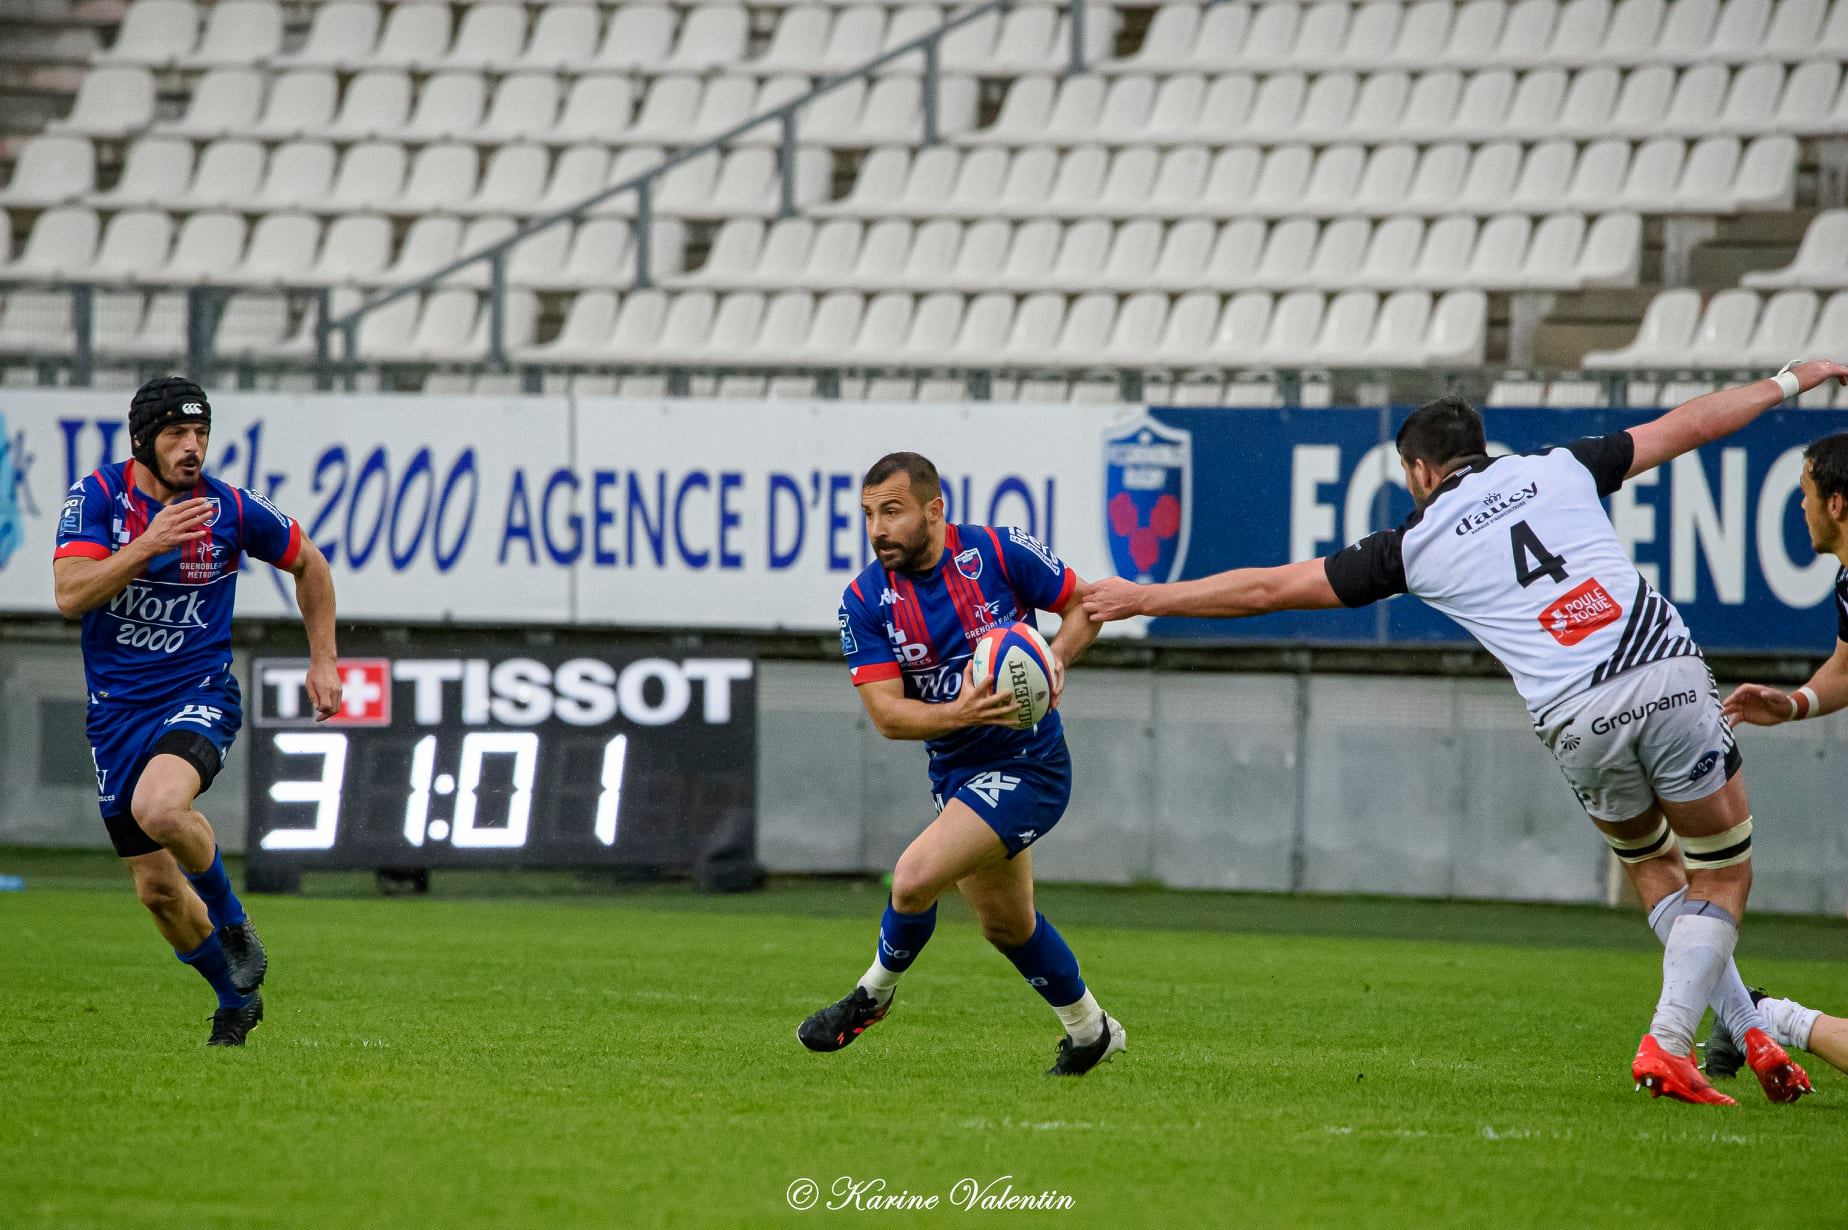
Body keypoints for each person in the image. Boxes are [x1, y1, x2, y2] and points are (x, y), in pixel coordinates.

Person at [1084, 363, 1848, 1105]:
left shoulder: (1413, 544)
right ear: (1483, 447)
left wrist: (1144, 593)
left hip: (1574, 716)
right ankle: (1671, 1040)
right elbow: (1689, 425)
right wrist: (1790, 381)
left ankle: (1748, 1029)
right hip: (1660, 670)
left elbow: (1266, 588)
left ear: (1418, 471)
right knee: (1721, 876)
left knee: (1655, 871)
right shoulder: (1560, 467)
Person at [796, 451, 1124, 1075]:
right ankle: (1090, 1031)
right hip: (956, 772)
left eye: (891, 512)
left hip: (1031, 764)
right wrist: (966, 713)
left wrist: (1054, 660)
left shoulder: (998, 553)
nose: (877, 529)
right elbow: (889, 717)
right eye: (868, 515)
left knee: (913, 877)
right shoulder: (865, 600)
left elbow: (1084, 605)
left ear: (933, 510)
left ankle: (873, 995)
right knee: (1007, 925)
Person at [52, 377, 342, 1046]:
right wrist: (147, 546)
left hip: (198, 694)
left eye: (201, 434)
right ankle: (232, 998)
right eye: (177, 435)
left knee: (160, 809)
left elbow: (311, 564)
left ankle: (233, 920)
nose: (192, 448)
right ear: (143, 440)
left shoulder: (230, 508)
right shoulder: (96, 499)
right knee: (155, 890)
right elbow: (69, 594)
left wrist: (324, 660)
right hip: (117, 717)